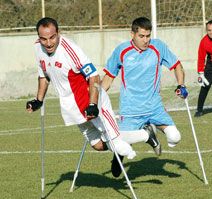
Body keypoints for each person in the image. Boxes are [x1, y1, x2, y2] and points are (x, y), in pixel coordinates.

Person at [26, 17, 136, 172]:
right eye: (44, 39)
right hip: (71, 107)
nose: (49, 43)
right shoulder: (38, 48)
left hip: (90, 100)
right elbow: (44, 74)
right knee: (97, 145)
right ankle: (119, 147)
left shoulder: (70, 50)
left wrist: (93, 104)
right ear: (38, 37)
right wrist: (38, 100)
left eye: (52, 37)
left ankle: (143, 136)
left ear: (58, 33)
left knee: (120, 145)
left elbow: (94, 76)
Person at [101, 17, 188, 177]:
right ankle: (124, 151)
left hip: (154, 107)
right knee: (117, 165)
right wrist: (97, 98)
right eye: (141, 36)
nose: (146, 40)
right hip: (130, 108)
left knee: (175, 138)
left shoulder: (158, 47)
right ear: (132, 34)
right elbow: (108, 77)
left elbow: (177, 66)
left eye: (148, 36)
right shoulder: (122, 51)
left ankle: (149, 131)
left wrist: (181, 85)